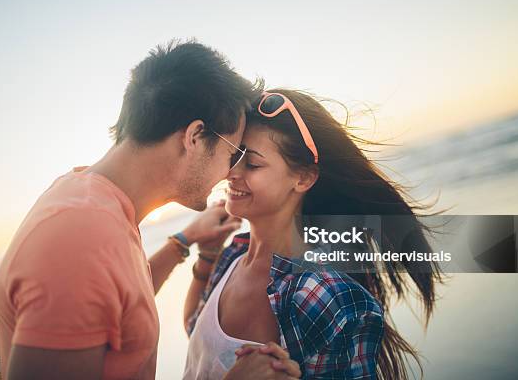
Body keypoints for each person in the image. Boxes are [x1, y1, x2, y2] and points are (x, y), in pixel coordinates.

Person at [0, 42, 300, 380]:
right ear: (195, 136)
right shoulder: (80, 237)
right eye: (233, 152)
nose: (230, 172)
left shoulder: (90, 201)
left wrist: (184, 242)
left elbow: (112, 304)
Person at [183, 89, 445, 379]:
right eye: (234, 156)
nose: (231, 172)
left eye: (253, 164)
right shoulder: (233, 253)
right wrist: (206, 253)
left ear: (304, 178)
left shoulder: (324, 295)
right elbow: (197, 333)